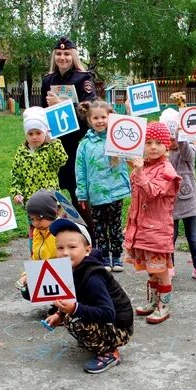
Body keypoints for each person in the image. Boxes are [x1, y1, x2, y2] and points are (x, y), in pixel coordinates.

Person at [44, 219, 134, 374]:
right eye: (60, 247)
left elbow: (108, 313)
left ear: (87, 250)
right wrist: (59, 314)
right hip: (107, 322)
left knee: (75, 320)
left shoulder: (94, 277)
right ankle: (97, 340)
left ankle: (110, 352)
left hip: (119, 327)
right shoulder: (70, 270)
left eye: (72, 247)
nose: (65, 252)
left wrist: (74, 308)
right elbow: (76, 296)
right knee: (69, 316)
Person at [123, 122, 180, 324]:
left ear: (167, 146)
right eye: (148, 142)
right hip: (143, 228)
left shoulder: (167, 170)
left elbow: (153, 192)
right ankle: (153, 301)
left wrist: (139, 172)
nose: (153, 147)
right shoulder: (144, 166)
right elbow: (136, 198)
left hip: (158, 230)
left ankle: (164, 306)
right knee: (151, 268)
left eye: (158, 142)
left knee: (161, 270)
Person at [41, 36, 96, 222]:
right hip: (56, 142)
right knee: (53, 189)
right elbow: (43, 112)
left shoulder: (83, 78)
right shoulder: (48, 80)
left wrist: (63, 104)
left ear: (73, 56)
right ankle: (62, 230)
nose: (62, 57)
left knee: (77, 190)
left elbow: (91, 110)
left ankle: (89, 235)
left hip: (77, 141)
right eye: (58, 53)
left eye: (66, 53)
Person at [75, 98, 130, 272]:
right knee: (99, 228)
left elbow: (132, 139)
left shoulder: (118, 138)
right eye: (96, 118)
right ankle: (104, 257)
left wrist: (128, 112)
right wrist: (82, 194)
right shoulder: (84, 144)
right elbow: (81, 170)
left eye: (103, 117)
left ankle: (117, 257)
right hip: (96, 194)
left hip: (116, 191)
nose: (100, 121)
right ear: (89, 120)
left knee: (114, 226)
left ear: (110, 118)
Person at [160, 108, 196, 283]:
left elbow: (188, 154)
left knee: (192, 236)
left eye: (174, 137)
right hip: (169, 201)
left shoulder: (188, 148)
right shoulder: (162, 154)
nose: (172, 141)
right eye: (169, 138)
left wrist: (181, 136)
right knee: (170, 237)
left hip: (188, 200)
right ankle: (170, 266)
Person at [10, 106, 68, 207]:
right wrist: (17, 193)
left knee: (52, 223)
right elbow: (16, 176)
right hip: (31, 202)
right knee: (35, 223)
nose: (34, 137)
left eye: (38, 133)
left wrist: (54, 142)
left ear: (45, 132)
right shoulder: (21, 153)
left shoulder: (50, 148)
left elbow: (61, 160)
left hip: (51, 200)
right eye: (30, 134)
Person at [17, 189, 61, 299]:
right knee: (27, 290)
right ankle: (55, 302)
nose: (35, 223)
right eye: (32, 219)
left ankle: (63, 306)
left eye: (39, 218)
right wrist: (27, 275)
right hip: (48, 274)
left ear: (52, 214)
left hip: (63, 274)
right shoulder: (37, 232)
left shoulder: (61, 231)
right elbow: (36, 259)